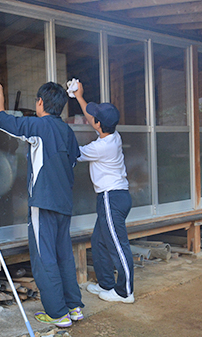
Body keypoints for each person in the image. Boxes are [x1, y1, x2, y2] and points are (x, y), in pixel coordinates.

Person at [0, 81, 84, 327]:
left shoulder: (38, 125)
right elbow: (74, 160)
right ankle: (74, 307)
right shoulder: (66, 131)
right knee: (63, 254)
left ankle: (57, 314)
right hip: (64, 203)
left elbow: (2, 121)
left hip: (43, 202)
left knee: (44, 258)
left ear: (41, 103)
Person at [73, 81, 135, 304]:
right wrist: (79, 97)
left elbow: (74, 154)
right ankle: (106, 284)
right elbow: (93, 119)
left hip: (112, 197)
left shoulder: (100, 147)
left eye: (94, 118)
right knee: (99, 241)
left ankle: (125, 292)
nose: (92, 120)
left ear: (99, 124)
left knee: (118, 244)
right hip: (111, 196)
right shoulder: (111, 135)